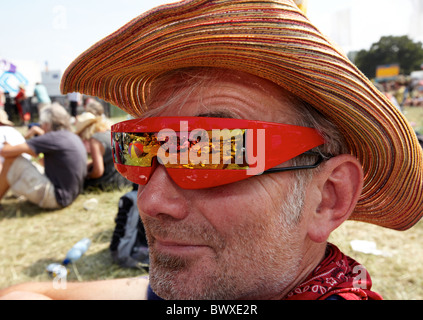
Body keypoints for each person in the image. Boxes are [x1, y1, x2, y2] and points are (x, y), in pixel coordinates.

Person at [1, 0, 423, 300]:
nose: (150, 200)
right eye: (139, 148)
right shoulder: (223, 281)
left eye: (214, 152)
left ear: (327, 198)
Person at [0, 103, 87, 210]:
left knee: (12, 160)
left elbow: (5, 152)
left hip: (57, 198)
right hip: (69, 195)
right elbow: (46, 162)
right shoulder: (69, 136)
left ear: (46, 124)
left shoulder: (52, 138)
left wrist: (9, 146)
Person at [75, 111, 131, 190]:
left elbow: (98, 171)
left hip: (112, 181)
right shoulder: (108, 132)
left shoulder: (94, 139)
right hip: (125, 179)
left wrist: (87, 175)